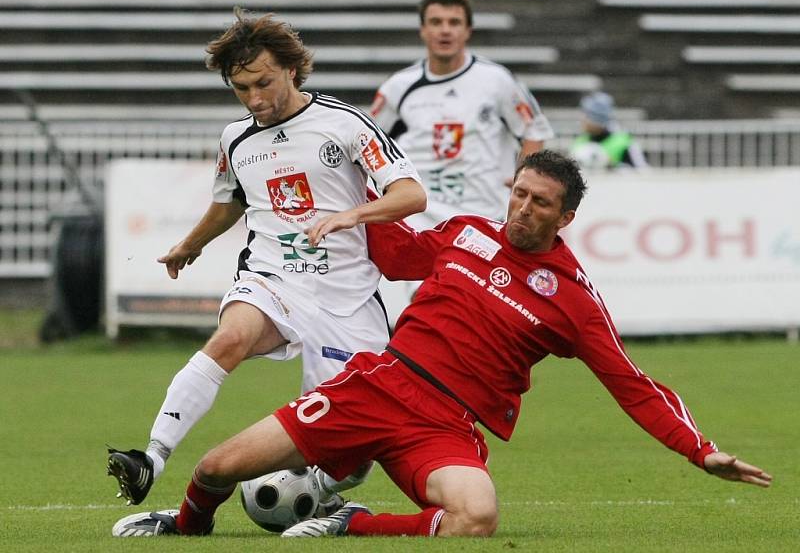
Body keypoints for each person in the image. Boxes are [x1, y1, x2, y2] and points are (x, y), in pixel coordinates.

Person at [112, 150, 771, 539]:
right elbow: (394, 253)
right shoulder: (464, 235)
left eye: (542, 203)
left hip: (446, 425)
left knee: (477, 517)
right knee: (218, 469)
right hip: (376, 387)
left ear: (566, 217)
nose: (524, 209)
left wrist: (700, 450)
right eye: (519, 193)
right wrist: (350, 198)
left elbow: (631, 383)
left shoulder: (571, 298)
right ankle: (187, 529)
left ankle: (351, 525)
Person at [106, 9, 426, 508]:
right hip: (274, 277)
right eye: (240, 88)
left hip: (347, 297)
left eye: (264, 83)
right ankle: (151, 457)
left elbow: (411, 194)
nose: (254, 99)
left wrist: (353, 215)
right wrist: (192, 244)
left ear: (292, 71)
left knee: (353, 448)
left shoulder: (343, 123)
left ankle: (319, 498)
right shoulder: (236, 138)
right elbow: (230, 200)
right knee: (231, 337)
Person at [370, 0, 554, 230]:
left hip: (483, 216)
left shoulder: (497, 80)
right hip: (419, 221)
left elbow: (534, 130)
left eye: (454, 22)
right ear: (423, 30)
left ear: (468, 31)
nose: (445, 30)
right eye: (436, 22)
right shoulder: (398, 87)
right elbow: (368, 143)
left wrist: (525, 176)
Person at [570, 91, 648, 170]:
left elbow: (642, 172)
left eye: (586, 115)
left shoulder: (625, 144)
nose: (582, 119)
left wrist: (614, 168)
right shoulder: (580, 141)